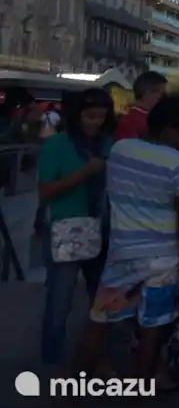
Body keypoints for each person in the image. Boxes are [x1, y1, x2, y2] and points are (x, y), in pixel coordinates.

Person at [74, 96, 179, 392]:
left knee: (99, 322)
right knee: (150, 334)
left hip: (122, 255)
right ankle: (134, 406)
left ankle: (70, 402)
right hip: (163, 261)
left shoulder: (120, 149)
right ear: (171, 128)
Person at [36, 88, 115, 373]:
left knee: (103, 303)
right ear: (76, 115)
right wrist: (86, 173)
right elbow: (45, 192)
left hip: (101, 231)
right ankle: (52, 361)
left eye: (101, 117)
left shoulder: (109, 145)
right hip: (64, 232)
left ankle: (98, 358)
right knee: (59, 303)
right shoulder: (56, 146)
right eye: (89, 116)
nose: (94, 122)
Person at [115, 71, 169, 141]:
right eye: (161, 92)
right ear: (148, 91)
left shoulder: (130, 113)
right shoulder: (133, 119)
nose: (163, 97)